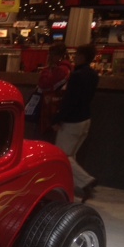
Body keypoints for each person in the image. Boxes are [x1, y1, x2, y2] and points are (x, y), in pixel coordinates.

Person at [53, 43, 100, 203]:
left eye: (77, 55)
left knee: (62, 155)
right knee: (71, 155)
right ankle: (71, 183)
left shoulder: (77, 76)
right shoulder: (93, 75)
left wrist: (58, 118)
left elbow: (70, 101)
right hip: (85, 119)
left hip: (72, 121)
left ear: (82, 56)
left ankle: (86, 181)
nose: (75, 58)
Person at [36, 42, 72, 142]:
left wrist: (47, 69)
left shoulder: (60, 70)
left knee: (48, 138)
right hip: (58, 107)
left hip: (51, 108)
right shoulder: (68, 68)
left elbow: (43, 84)